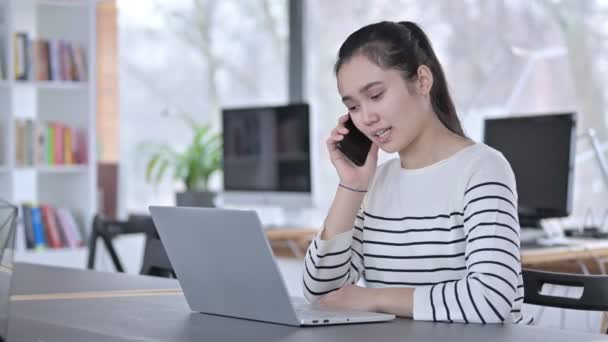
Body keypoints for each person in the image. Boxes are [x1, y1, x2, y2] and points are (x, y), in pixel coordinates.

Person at [303, 21, 530, 325]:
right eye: (353, 107)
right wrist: (352, 186)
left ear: (422, 80)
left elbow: (490, 301)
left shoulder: (483, 169)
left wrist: (373, 299)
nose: (367, 118)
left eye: (376, 95)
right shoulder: (374, 184)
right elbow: (321, 292)